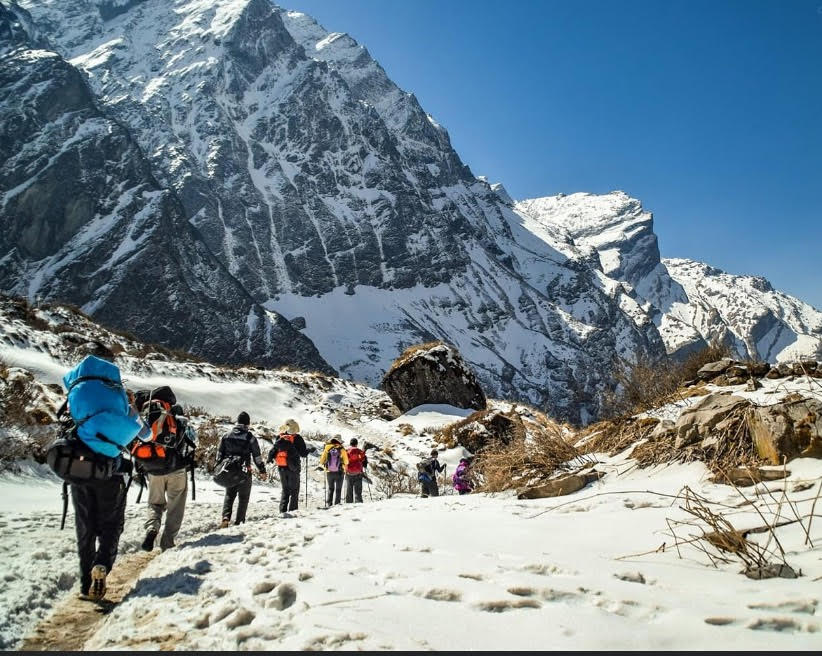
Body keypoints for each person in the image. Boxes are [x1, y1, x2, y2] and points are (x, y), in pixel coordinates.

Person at [62, 357, 148, 602]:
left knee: (85, 527)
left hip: (80, 468)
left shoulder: (77, 395)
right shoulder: (122, 403)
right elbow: (147, 435)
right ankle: (102, 565)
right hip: (112, 472)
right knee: (111, 525)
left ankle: (85, 584)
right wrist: (133, 410)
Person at [141, 403, 197, 552]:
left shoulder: (153, 424)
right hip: (177, 470)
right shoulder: (181, 423)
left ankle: (152, 528)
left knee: (154, 503)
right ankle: (167, 543)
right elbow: (193, 442)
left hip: (155, 470)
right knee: (175, 507)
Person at [217, 412, 267, 528]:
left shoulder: (226, 435)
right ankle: (239, 522)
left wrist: (219, 467)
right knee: (243, 498)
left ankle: (225, 518)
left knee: (229, 495)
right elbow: (257, 457)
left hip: (229, 471)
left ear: (237, 422)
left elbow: (219, 455)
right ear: (248, 423)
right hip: (245, 471)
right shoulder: (250, 437)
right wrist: (262, 470)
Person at [268, 419, 309, 515]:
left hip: (281, 467)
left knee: (285, 490)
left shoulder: (280, 436)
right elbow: (303, 454)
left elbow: (274, 449)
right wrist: (309, 450)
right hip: (294, 468)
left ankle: (282, 511)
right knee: (294, 490)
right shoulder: (298, 438)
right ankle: (293, 511)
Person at [319, 435, 348, 506]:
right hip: (339, 472)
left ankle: (329, 504)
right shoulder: (342, 449)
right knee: (338, 489)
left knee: (330, 488)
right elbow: (347, 461)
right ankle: (337, 504)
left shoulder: (327, 448)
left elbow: (322, 461)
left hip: (329, 472)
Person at [344, 438, 368, 503]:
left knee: (349, 490)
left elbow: (344, 461)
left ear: (350, 444)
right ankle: (359, 503)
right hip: (358, 472)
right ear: (356, 444)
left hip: (349, 472)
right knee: (358, 490)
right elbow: (362, 459)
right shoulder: (359, 451)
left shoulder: (347, 451)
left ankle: (348, 503)